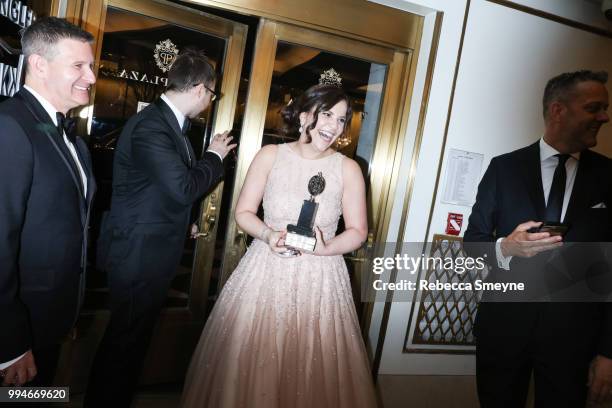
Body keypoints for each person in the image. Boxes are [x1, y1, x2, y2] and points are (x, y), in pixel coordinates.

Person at [181, 84, 377, 408]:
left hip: (322, 278)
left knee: (312, 364)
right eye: (327, 114)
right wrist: (268, 235)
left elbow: (358, 230)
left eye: (342, 120)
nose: (334, 125)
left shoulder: (349, 169)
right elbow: (243, 212)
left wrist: (326, 247)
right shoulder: (270, 155)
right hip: (266, 269)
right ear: (303, 115)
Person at [84, 49, 236, 407]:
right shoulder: (154, 125)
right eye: (212, 95)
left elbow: (158, 190)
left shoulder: (169, 127)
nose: (210, 102)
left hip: (146, 251)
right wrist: (214, 156)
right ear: (200, 89)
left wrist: (185, 222)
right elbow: (184, 188)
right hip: (138, 255)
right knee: (124, 345)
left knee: (129, 343)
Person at [464, 70, 612, 407]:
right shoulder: (504, 168)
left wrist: (608, 352)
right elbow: (473, 243)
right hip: (503, 330)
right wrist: (505, 247)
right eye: (594, 108)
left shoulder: (609, 177)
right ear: (558, 110)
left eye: (604, 108)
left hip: (576, 340)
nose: (604, 117)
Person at [0, 17, 96, 387]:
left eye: (90, 66)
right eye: (78, 65)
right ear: (38, 64)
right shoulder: (11, 126)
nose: (90, 77)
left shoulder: (69, 134)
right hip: (18, 331)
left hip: (52, 320)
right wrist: (9, 342)